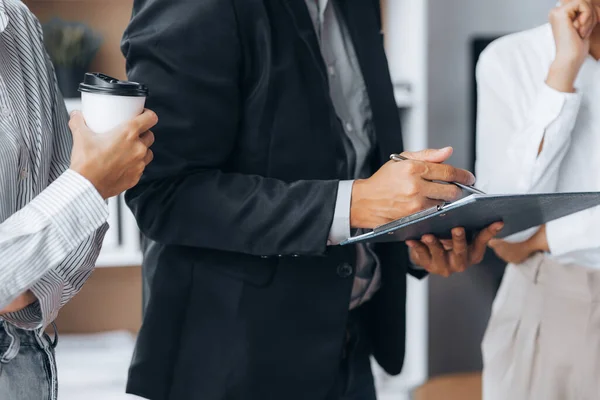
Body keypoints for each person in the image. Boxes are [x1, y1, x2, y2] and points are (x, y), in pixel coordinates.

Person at [122, 1, 502, 399]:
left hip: (351, 349)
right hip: (234, 365)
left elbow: (351, 158)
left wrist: (414, 236)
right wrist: (353, 203)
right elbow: (163, 194)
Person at [0, 1, 158, 399]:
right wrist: (88, 186)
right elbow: (79, 190)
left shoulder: (16, 21)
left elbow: (68, 241)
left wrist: (22, 284)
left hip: (29, 364)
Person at [476, 0, 600, 398]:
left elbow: (521, 239)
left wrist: (545, 239)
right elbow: (508, 224)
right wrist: (563, 72)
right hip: (551, 298)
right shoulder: (509, 60)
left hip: (545, 257)